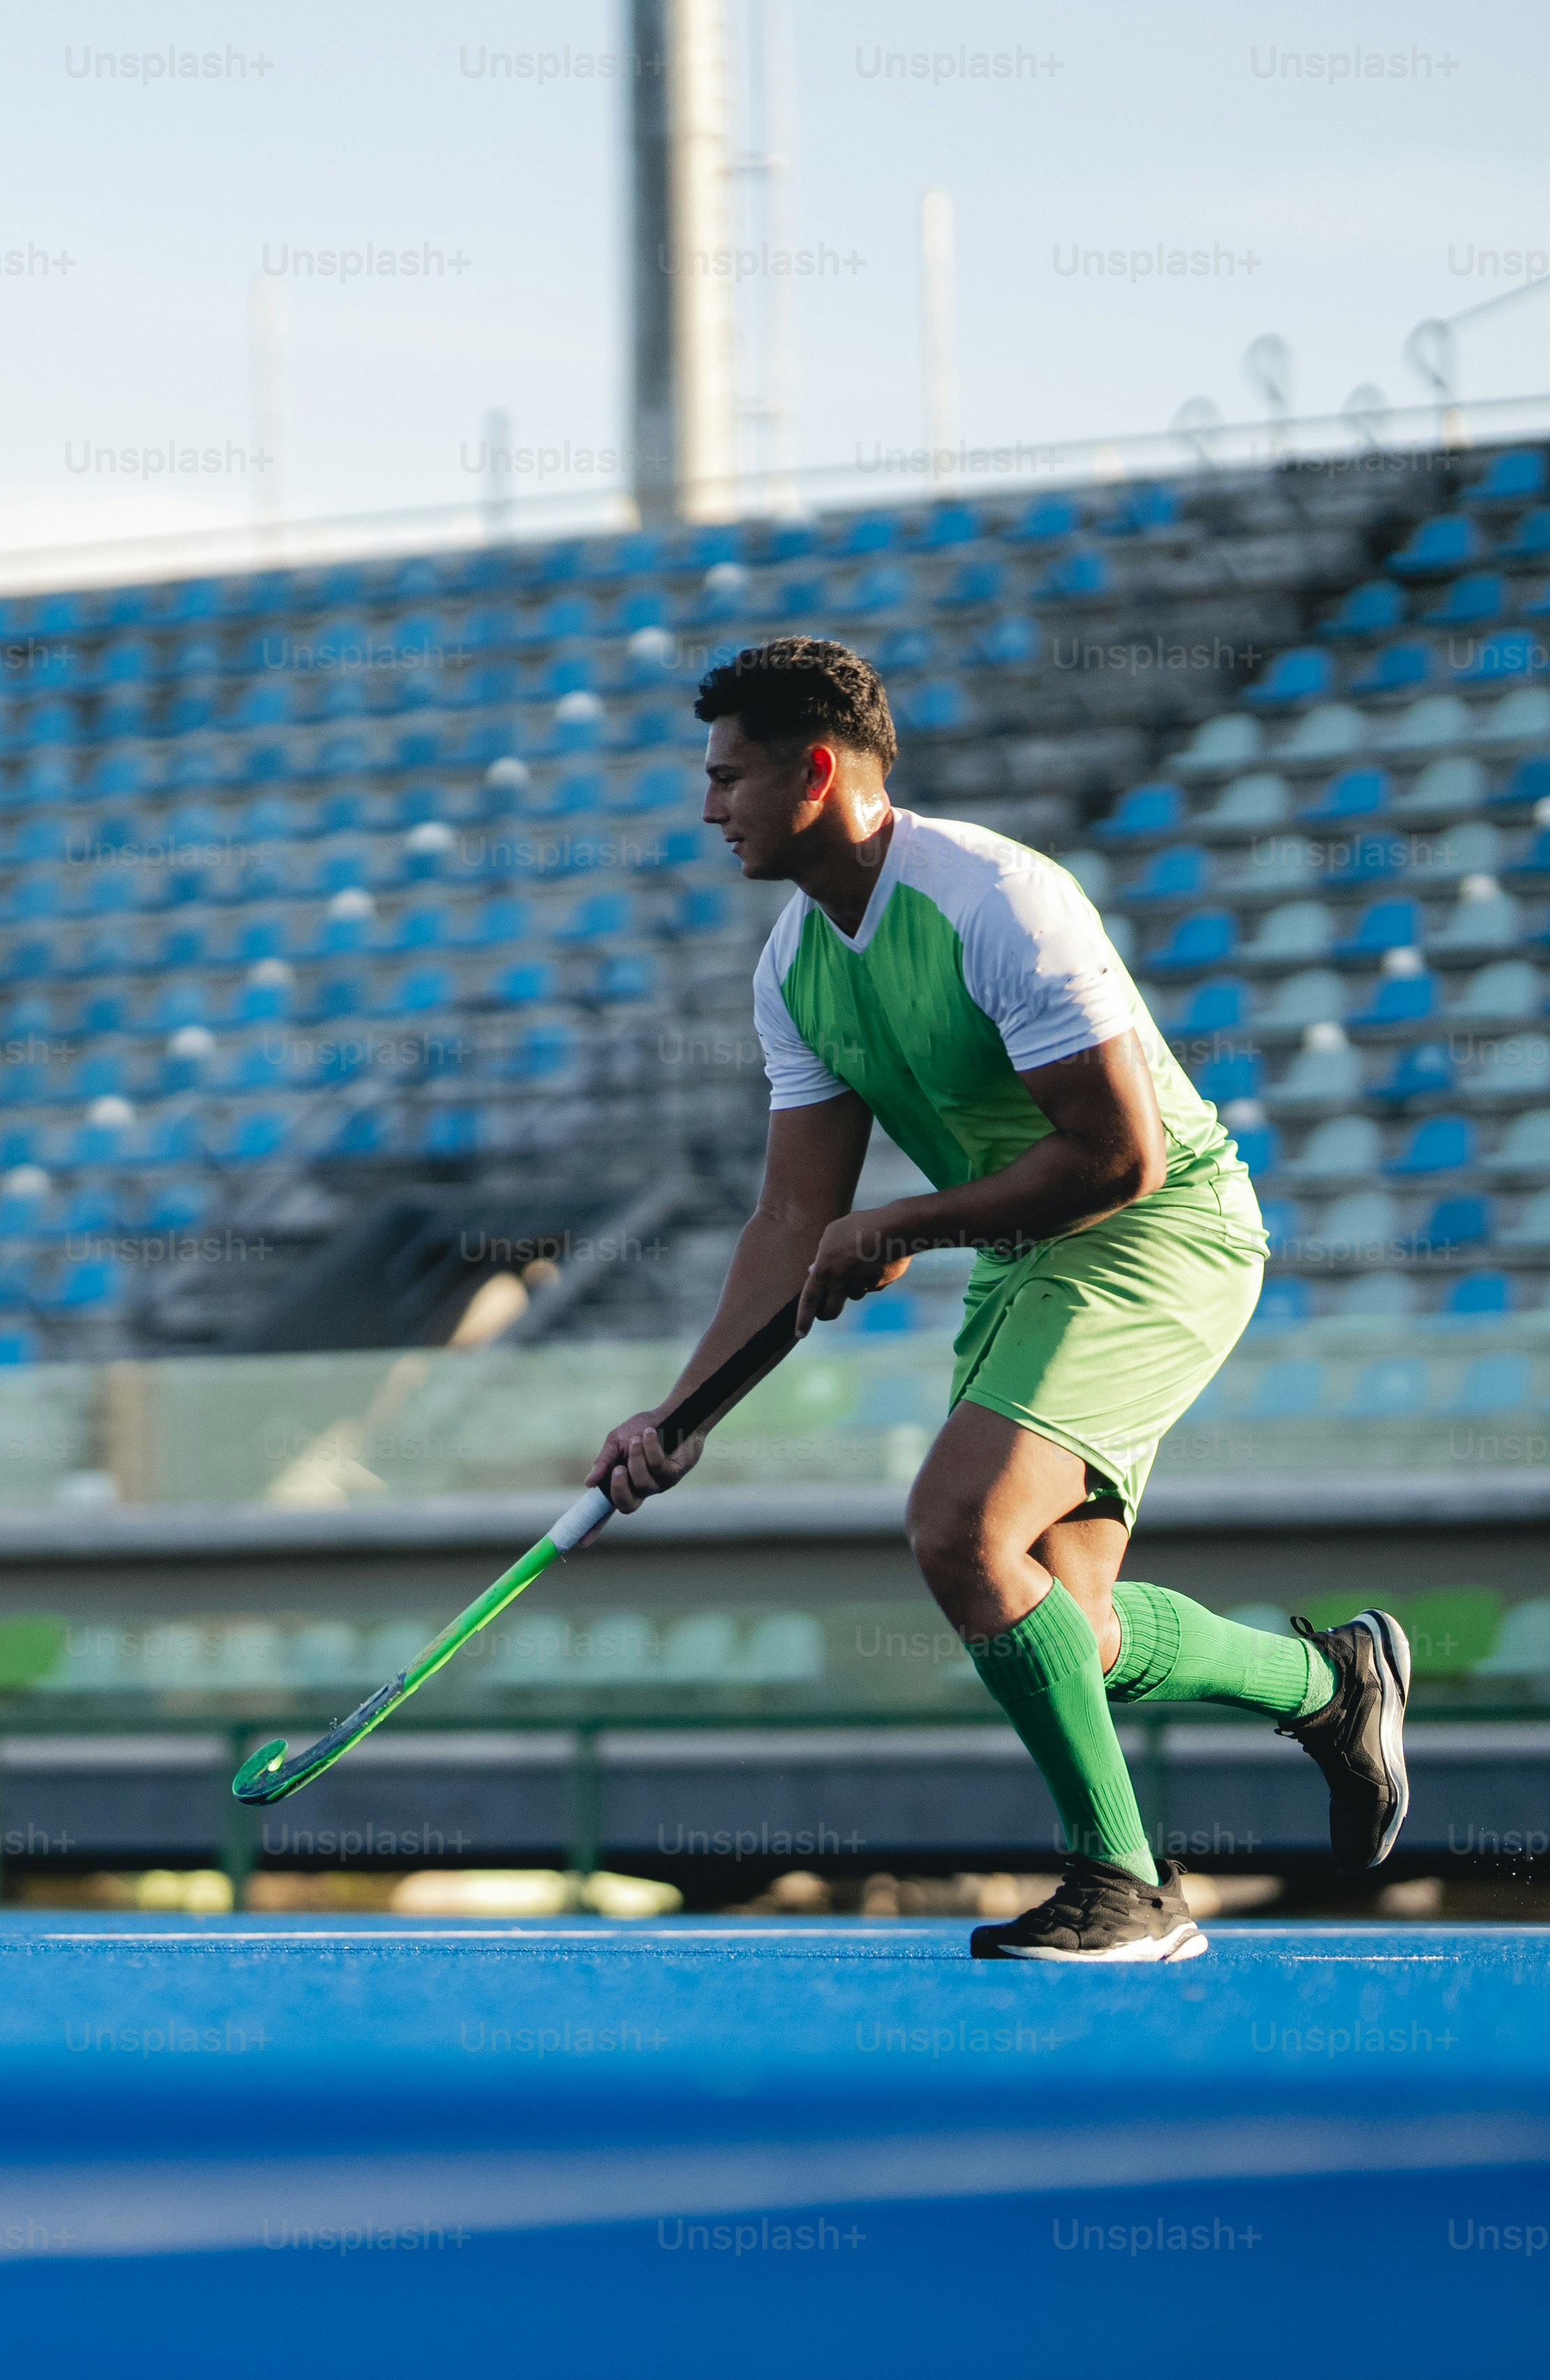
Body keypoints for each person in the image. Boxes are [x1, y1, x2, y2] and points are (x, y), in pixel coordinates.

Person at [589, 637, 1408, 1964]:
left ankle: (1122, 1885)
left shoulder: (999, 899)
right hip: (1030, 1255)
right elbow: (792, 1222)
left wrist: (906, 1222)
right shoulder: (793, 965)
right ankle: (1328, 1685)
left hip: (1160, 1234)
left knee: (960, 1530)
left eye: (728, 777)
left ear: (815, 772)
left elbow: (1120, 1159)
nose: (707, 807)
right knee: (1066, 1622)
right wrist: (678, 1418)